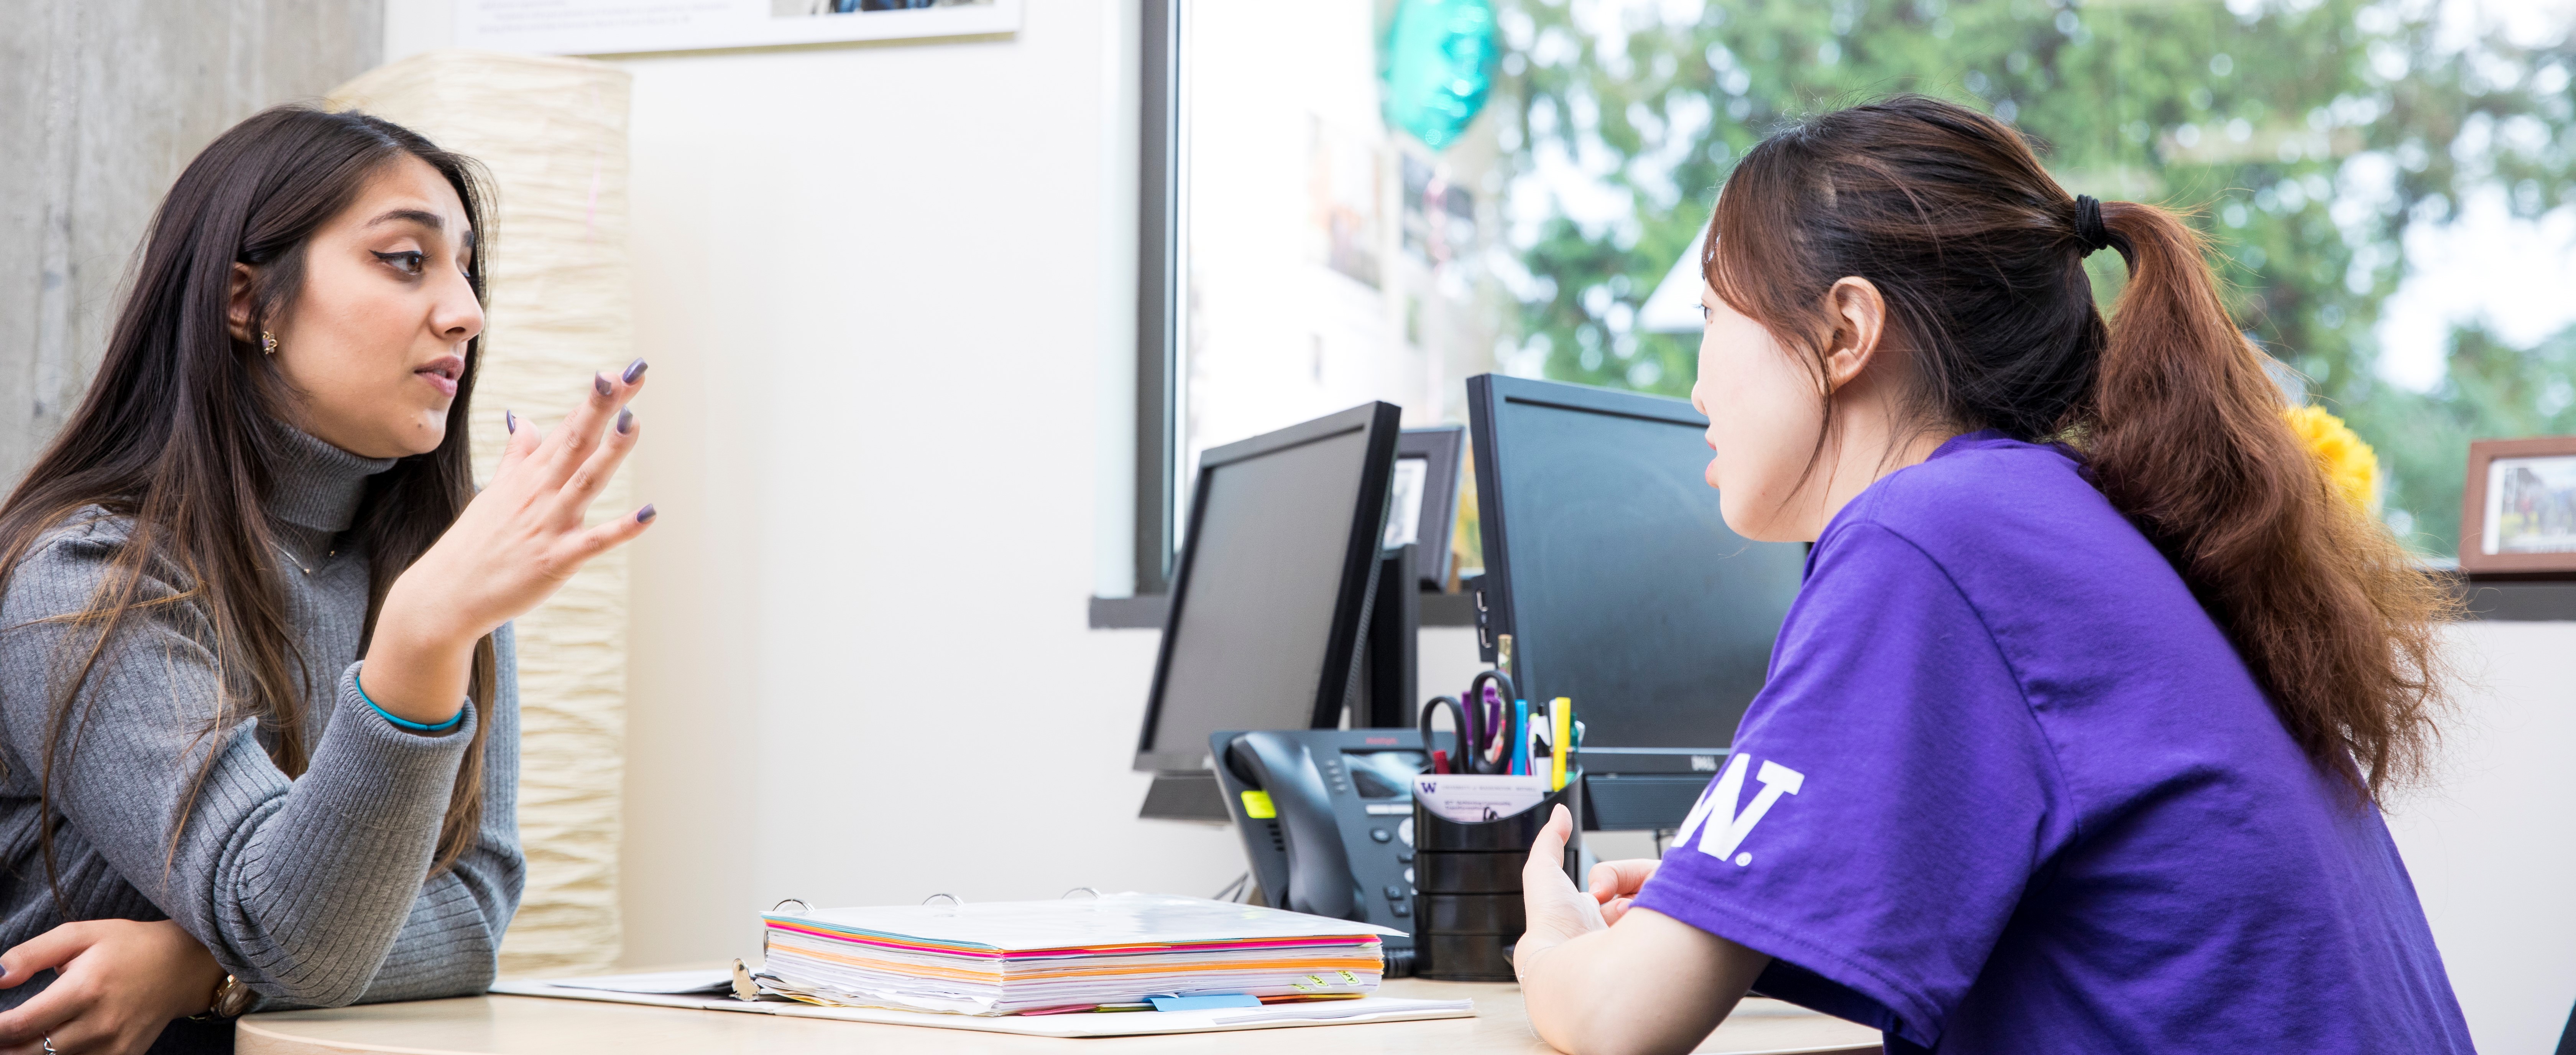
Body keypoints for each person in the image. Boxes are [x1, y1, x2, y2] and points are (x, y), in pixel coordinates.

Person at [1513, 95, 2471, 1054]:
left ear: (1845, 331)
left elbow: (1616, 1019)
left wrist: (1555, 946)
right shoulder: (2062, 514)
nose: (1695, 384)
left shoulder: (1926, 536)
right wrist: (1732, 905)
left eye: (1713, 317)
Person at [0, 106, 654, 1055]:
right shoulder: (85, 576)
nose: (467, 309)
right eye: (406, 259)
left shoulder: (433, 565)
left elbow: (471, 912)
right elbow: (294, 932)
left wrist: (204, 966)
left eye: (467, 268)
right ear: (246, 301)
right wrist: (420, 639)